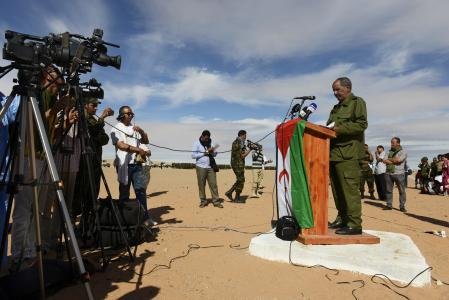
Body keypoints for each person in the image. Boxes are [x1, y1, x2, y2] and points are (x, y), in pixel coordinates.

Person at [10, 65, 65, 269]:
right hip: (27, 155)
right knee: (24, 208)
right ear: (46, 76)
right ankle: (18, 253)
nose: (59, 84)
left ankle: (31, 248)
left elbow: (49, 129)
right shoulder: (36, 94)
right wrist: (56, 110)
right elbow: (34, 123)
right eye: (57, 78)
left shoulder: (51, 97)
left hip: (42, 156)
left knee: (36, 207)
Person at [326, 77, 367, 235]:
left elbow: (361, 124)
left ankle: (354, 224)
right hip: (334, 155)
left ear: (348, 87)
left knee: (350, 191)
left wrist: (338, 128)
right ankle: (342, 218)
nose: (335, 93)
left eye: (338, 89)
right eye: (334, 91)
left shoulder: (357, 102)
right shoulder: (335, 109)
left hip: (348, 155)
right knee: (338, 191)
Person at [110, 105, 156, 226]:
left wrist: (141, 131)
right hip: (124, 165)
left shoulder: (134, 128)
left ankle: (145, 218)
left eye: (131, 114)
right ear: (121, 115)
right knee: (124, 193)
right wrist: (138, 150)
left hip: (137, 164)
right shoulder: (116, 128)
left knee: (141, 192)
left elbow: (145, 141)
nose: (131, 115)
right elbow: (121, 145)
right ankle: (124, 220)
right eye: (128, 113)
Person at [73, 97, 113, 216]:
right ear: (85, 105)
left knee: (94, 186)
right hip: (84, 159)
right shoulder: (81, 117)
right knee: (82, 186)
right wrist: (102, 117)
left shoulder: (93, 119)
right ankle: (76, 213)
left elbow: (105, 138)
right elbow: (92, 130)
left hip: (95, 158)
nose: (96, 108)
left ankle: (90, 212)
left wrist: (96, 134)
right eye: (93, 105)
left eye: (96, 105)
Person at [0, 92, 20, 265]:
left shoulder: (6, 100)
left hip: (4, 171)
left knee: (2, 220)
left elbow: (19, 114)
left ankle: (2, 262)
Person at [191, 130, 222, 208]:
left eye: (208, 138)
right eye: (205, 138)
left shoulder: (211, 143)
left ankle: (216, 201)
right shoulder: (196, 143)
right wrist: (204, 153)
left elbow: (214, 155)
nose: (206, 140)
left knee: (213, 185)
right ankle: (203, 201)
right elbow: (193, 155)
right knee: (201, 185)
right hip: (201, 167)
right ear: (202, 136)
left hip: (211, 167)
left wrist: (213, 152)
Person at [225, 130, 251, 203]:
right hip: (237, 164)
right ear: (242, 135)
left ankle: (230, 193)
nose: (246, 137)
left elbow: (243, 153)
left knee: (240, 179)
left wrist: (249, 148)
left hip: (239, 164)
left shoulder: (241, 143)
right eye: (245, 135)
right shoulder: (237, 143)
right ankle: (236, 197)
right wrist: (250, 149)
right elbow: (242, 156)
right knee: (241, 180)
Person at [382, 137, 408, 212]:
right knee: (388, 190)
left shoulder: (403, 151)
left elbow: (399, 160)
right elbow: (384, 160)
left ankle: (402, 206)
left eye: (393, 143)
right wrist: (393, 160)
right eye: (391, 142)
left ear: (398, 143)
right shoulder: (388, 151)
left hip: (399, 173)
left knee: (401, 191)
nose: (391, 144)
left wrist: (389, 159)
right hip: (388, 173)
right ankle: (389, 205)